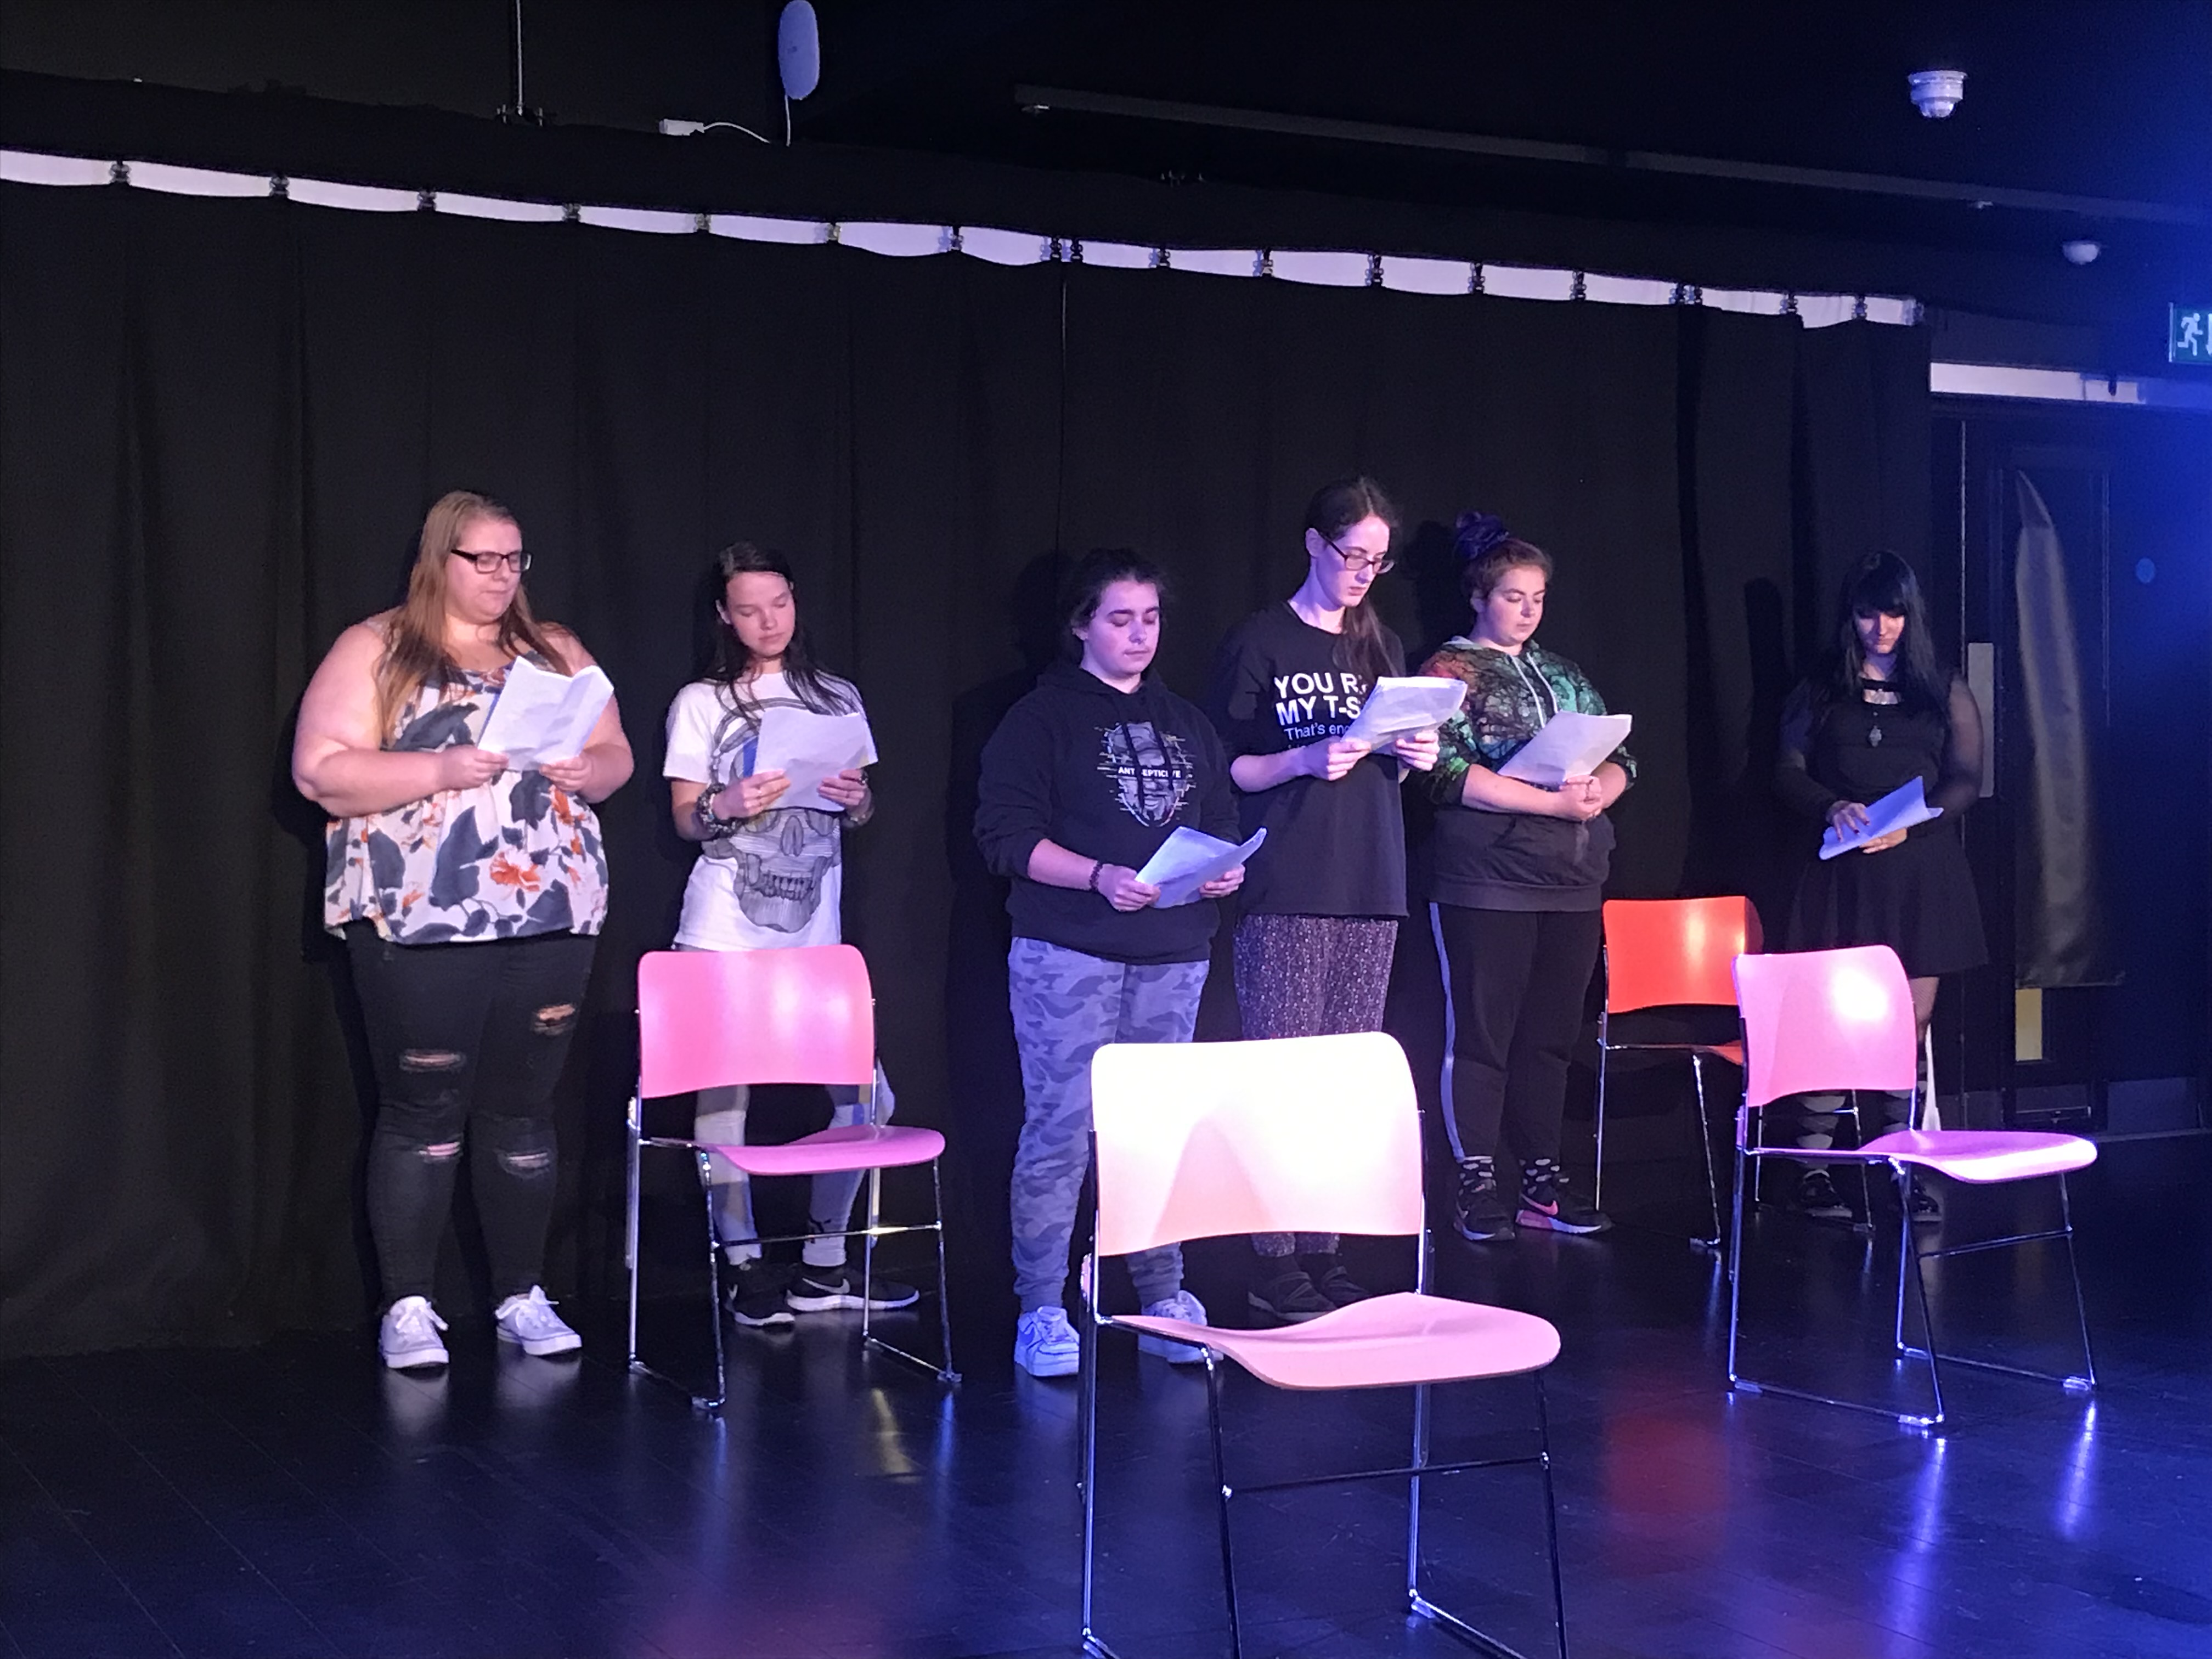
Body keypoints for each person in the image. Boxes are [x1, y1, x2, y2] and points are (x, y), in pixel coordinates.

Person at [295, 489, 633, 1369]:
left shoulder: (554, 648)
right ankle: (409, 1304)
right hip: (423, 919)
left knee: (524, 1113)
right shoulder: (380, 646)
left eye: (513, 558)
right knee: (423, 1112)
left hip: (551, 913)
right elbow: (323, 772)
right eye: (481, 558)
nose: (500, 575)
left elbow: (616, 757)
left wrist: (586, 765)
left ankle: (522, 1292)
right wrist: (442, 765)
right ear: (438, 558)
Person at [974, 550, 1246, 1379]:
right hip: (1069, 952)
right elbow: (1006, 839)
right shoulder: (1041, 718)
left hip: (1173, 953)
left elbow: (1220, 820)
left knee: (1157, 1130)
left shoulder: (1187, 720)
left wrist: (1225, 869)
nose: (1138, 635)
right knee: (1062, 1130)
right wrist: (1097, 876)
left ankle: (1162, 1293)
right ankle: (1042, 1308)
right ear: (1081, 625)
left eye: (1151, 619)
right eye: (1120, 619)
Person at [663, 541, 917, 1324]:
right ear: (724, 616)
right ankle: (744, 1267)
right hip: (725, 926)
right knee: (724, 1093)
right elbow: (683, 817)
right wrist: (725, 805)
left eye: (778, 604)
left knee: (867, 1095)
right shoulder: (702, 702)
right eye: (747, 609)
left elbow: (861, 807)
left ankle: (824, 1262)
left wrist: (855, 797)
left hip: (815, 931)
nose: (767, 621)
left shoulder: (835, 695)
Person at [1206, 477, 1440, 1323]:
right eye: (1352, 555)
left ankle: (1323, 1248)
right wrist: (1300, 761)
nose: (1364, 574)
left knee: (1338, 1080)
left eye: (1378, 561)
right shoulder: (1261, 640)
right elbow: (1224, 765)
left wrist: (1416, 751)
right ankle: (1272, 1260)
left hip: (1372, 881)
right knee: (1284, 1074)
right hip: (1291, 879)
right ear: (1314, 544)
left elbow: (1397, 759)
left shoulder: (1383, 643)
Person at [1416, 514, 1633, 1243]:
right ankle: (1475, 1178)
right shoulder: (1450, 670)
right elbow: (1444, 771)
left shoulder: (1563, 671)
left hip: (1571, 878)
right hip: (1487, 879)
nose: (1528, 610)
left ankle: (1543, 1176)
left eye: (1538, 597)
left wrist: (1601, 787)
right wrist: (1543, 798)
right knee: (1483, 1035)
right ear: (1481, 597)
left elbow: (1622, 754)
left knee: (1549, 1036)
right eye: (1514, 596)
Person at [1775, 549, 1986, 1220]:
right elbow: (1785, 769)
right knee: (1835, 1019)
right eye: (1869, 613)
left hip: (1920, 870)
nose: (1882, 627)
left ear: (1910, 615)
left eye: (1893, 612)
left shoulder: (1941, 687)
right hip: (1843, 868)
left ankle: (1900, 1162)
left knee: (1907, 1023)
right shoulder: (1821, 688)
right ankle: (1816, 1167)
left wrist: (1916, 824)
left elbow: (1965, 780)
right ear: (1852, 617)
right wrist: (1828, 806)